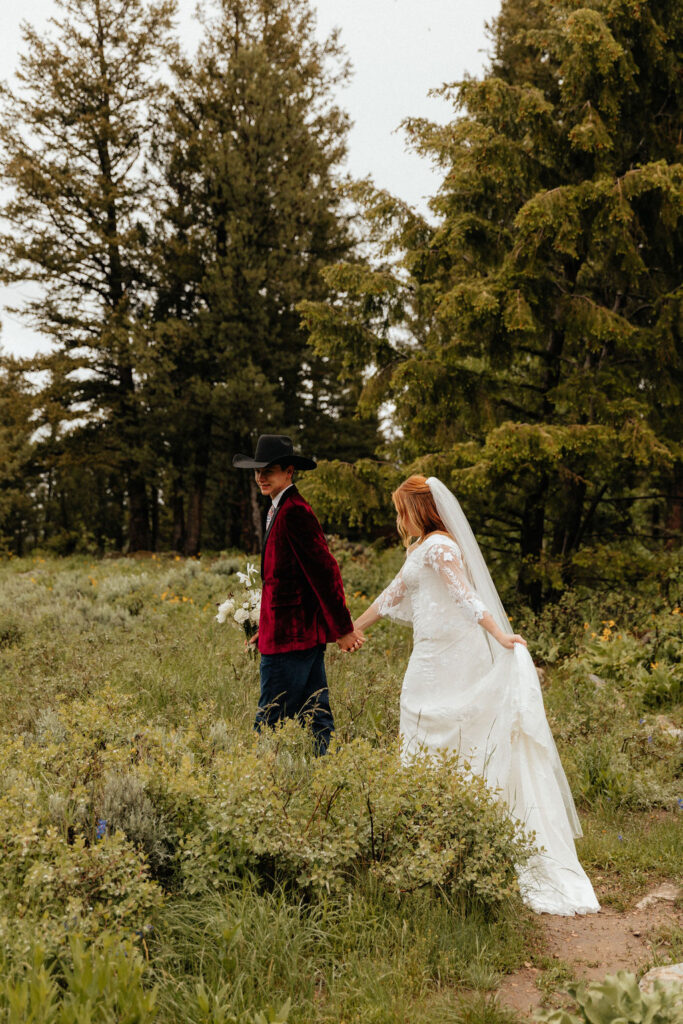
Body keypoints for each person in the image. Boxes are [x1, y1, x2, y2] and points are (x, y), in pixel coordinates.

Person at [353, 475, 599, 916]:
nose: (398, 518)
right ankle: (424, 829)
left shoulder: (441, 546)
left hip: (455, 657)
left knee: (462, 732)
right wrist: (352, 627)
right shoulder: (420, 549)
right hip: (427, 658)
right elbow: (392, 595)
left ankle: (467, 829)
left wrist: (501, 636)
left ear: (418, 509)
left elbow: (465, 595)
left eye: (401, 509)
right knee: (418, 726)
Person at [233, 434, 364, 754]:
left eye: (269, 470)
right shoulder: (279, 508)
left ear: (289, 472)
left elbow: (324, 572)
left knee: (270, 717)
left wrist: (344, 629)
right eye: (257, 471)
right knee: (316, 714)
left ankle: (257, 782)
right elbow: (286, 582)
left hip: (291, 640)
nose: (261, 477)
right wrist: (265, 628)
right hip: (291, 633)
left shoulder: (295, 511)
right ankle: (327, 775)